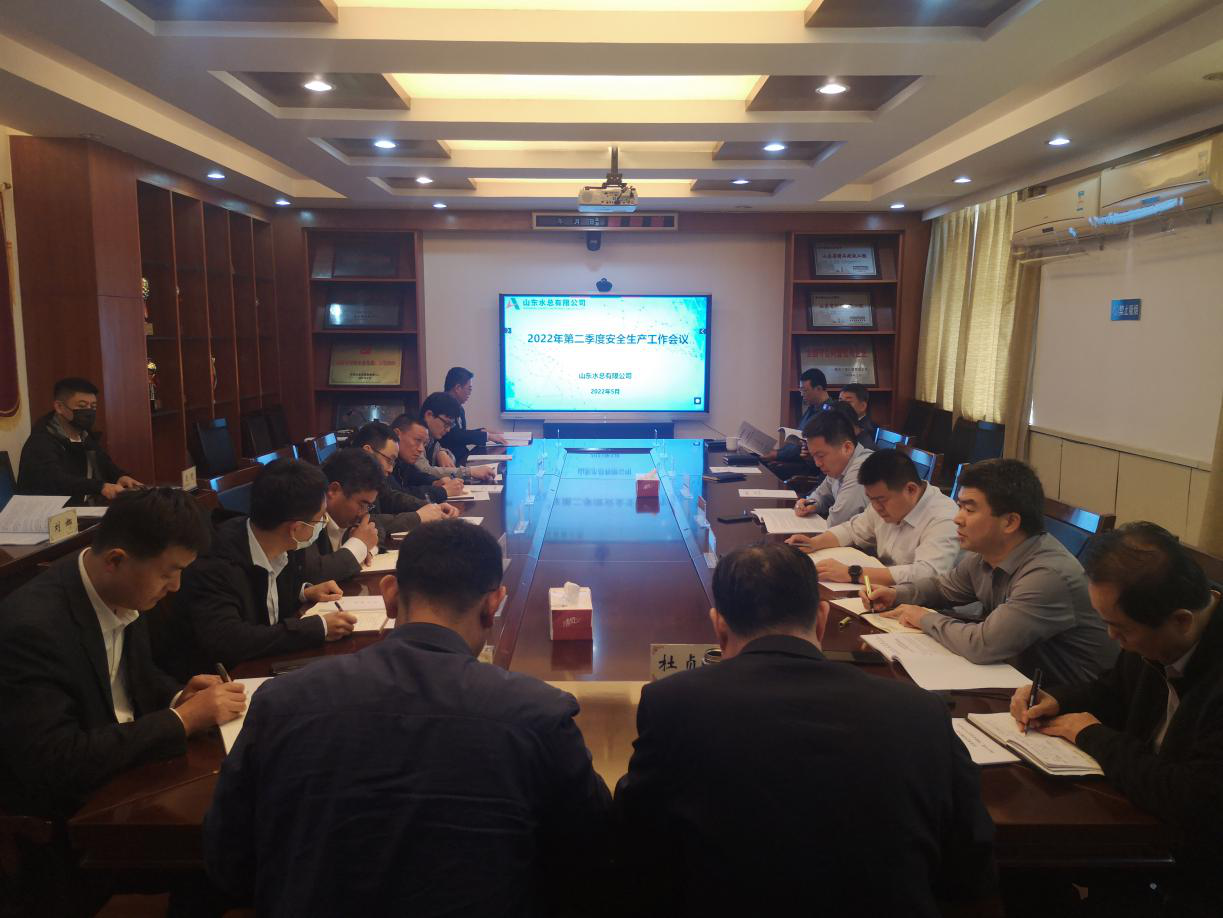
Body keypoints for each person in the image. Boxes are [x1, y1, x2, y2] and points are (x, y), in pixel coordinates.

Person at [204, 520, 612, 917]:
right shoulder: (538, 714)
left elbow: (228, 860)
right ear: (494, 604)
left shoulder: (281, 701)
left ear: (389, 593)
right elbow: (591, 856)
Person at [615, 542, 996, 916]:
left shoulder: (672, 703)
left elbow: (638, 840)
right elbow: (969, 864)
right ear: (822, 618)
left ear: (719, 626)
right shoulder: (922, 712)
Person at [1010, 522, 1222, 916]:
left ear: (1181, 620)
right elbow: (1112, 692)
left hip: (1193, 869)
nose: (1110, 637)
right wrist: (1058, 699)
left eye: (1119, 628)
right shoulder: (1157, 630)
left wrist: (1091, 734)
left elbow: (1191, 799)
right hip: (1138, 816)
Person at [0, 488, 246, 819]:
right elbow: (55, 760)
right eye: (168, 573)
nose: (175, 586)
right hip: (75, 806)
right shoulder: (32, 630)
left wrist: (178, 697)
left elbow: (133, 676)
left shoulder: (125, 587)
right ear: (115, 560)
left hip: (128, 766)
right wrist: (182, 720)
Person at [865, 458, 1116, 683]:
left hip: (1067, 701)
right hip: (1014, 678)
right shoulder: (985, 555)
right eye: (959, 506)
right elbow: (942, 588)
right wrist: (896, 594)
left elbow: (982, 645)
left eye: (969, 509)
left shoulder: (1047, 575)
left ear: (1010, 522)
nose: (957, 518)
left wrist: (923, 618)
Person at [165, 459, 355, 679]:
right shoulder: (215, 562)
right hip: (222, 682)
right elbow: (231, 640)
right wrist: (317, 628)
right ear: (295, 528)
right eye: (320, 519)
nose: (323, 524)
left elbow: (265, 599)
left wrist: (302, 593)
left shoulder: (280, 544)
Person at [787, 447, 959, 586]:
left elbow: (928, 575)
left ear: (911, 489)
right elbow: (853, 529)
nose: (876, 507)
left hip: (929, 605)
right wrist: (813, 543)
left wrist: (853, 573)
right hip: (886, 589)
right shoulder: (881, 501)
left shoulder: (943, 517)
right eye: (871, 499)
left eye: (881, 500)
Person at [17, 377, 143, 501]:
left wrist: (120, 477)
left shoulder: (86, 436)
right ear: (59, 407)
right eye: (82, 406)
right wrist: (100, 487)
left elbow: (104, 463)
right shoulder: (41, 442)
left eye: (93, 406)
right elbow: (56, 479)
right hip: (50, 510)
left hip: (83, 508)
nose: (89, 411)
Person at [350, 422, 458, 534]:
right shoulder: (347, 478)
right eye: (389, 460)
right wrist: (417, 517)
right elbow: (361, 522)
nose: (391, 469)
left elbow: (391, 497)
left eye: (393, 462)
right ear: (368, 452)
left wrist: (432, 507)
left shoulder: (373, 477)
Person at [298, 448, 385, 583]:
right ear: (333, 490)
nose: (364, 513)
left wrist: (367, 549)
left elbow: (376, 527)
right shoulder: (306, 512)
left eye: (368, 506)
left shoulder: (352, 511)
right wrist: (359, 546)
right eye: (362, 504)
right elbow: (313, 574)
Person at [792, 409, 870, 525]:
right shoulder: (840, 466)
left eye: (820, 456)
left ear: (847, 448)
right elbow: (821, 494)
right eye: (814, 456)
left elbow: (837, 521)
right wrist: (809, 504)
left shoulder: (863, 469)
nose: (817, 463)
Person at [419, 392, 497, 483]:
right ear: (429, 415)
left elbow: (450, 459)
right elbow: (426, 471)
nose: (448, 430)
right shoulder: (415, 437)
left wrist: (441, 451)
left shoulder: (431, 437)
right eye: (446, 423)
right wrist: (469, 472)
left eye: (451, 425)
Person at [764, 368, 829, 472]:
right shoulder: (811, 409)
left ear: (819, 388)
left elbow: (805, 446)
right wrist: (778, 452)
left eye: (805, 390)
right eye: (800, 390)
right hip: (798, 460)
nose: (802, 394)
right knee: (760, 460)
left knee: (771, 468)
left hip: (811, 466)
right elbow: (797, 440)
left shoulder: (829, 413)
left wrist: (777, 454)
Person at [389, 413, 465, 499]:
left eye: (424, 443)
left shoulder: (402, 461)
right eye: (417, 440)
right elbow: (397, 497)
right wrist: (443, 491)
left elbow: (415, 475)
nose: (421, 449)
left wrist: (435, 482)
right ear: (397, 434)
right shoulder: (382, 461)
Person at [439, 366, 506, 461]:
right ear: (458, 388)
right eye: (469, 389)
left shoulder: (459, 408)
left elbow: (461, 433)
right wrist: (486, 436)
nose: (470, 393)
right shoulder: (442, 406)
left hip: (461, 457)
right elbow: (454, 435)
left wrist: (482, 431)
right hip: (450, 460)